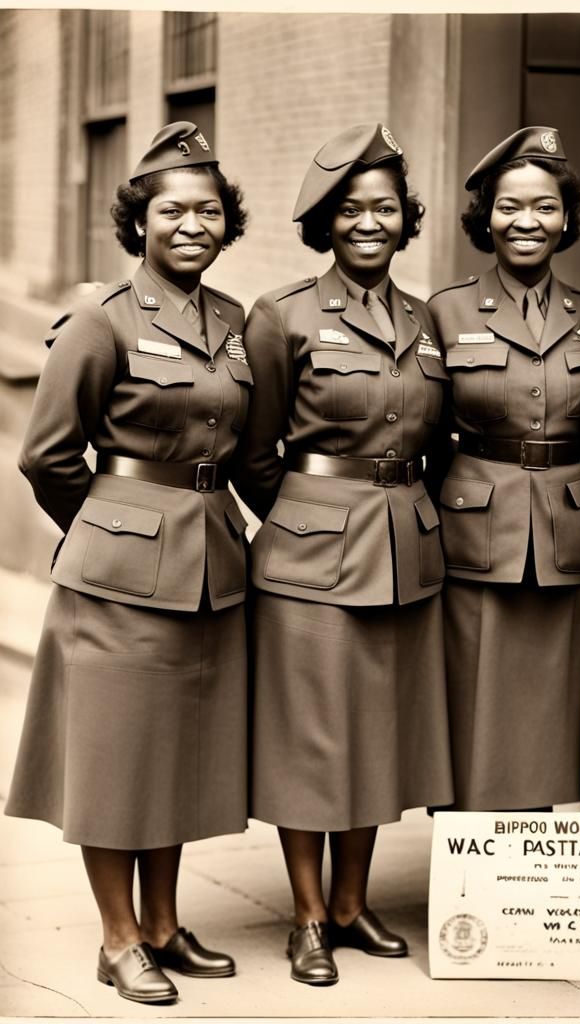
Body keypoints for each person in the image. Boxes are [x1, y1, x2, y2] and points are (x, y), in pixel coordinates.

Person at [7, 123, 250, 1004]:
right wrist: (112, 528)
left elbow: (242, 445)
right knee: (115, 761)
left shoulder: (232, 320)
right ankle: (117, 940)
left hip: (211, 568)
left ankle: (162, 923)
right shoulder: (101, 321)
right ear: (138, 221)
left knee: (173, 753)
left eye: (209, 211)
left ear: (228, 224)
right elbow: (47, 456)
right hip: (116, 580)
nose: (193, 225)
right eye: (173, 210)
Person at [235, 124, 453, 986]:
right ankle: (309, 914)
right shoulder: (282, 315)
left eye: (385, 208)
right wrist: (303, 523)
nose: (369, 222)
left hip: (404, 547)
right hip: (310, 556)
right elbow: (257, 454)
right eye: (351, 209)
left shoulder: (424, 318)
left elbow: (436, 439)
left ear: (407, 221)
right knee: (311, 739)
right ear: (325, 222)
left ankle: (355, 903)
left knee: (373, 729)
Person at [428, 127, 580, 811]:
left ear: (565, 220)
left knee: (551, 703)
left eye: (544, 206)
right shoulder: (445, 310)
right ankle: (469, 872)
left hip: (566, 532)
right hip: (477, 527)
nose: (526, 221)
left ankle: (535, 866)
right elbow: (421, 425)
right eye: (509, 206)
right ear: (486, 216)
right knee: (474, 698)